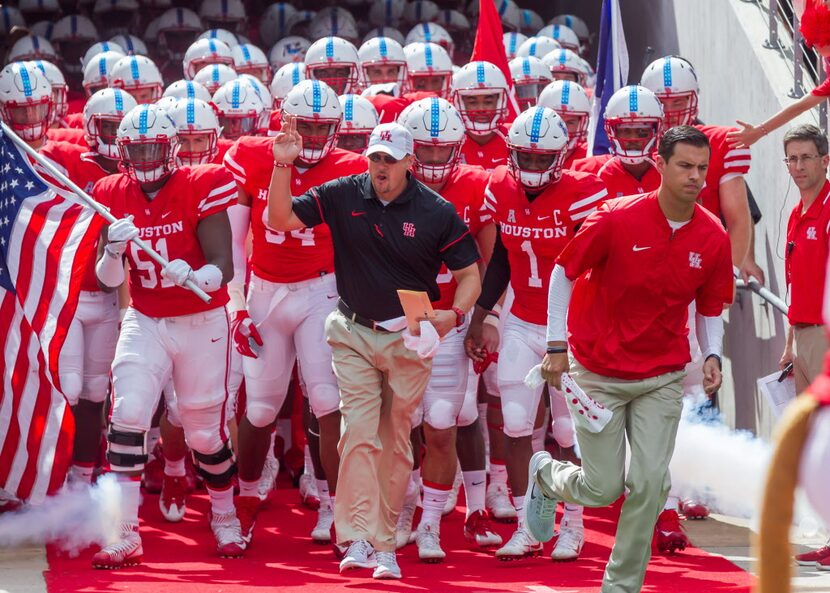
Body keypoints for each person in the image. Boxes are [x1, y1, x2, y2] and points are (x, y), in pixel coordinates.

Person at [266, 119, 481, 579]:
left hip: (410, 334)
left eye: (390, 159)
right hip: (354, 330)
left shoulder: (435, 210)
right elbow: (279, 219)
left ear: (408, 163)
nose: (380, 168)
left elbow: (470, 276)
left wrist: (455, 315)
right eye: (375, 158)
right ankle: (359, 538)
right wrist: (283, 164)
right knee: (358, 435)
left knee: (396, 441)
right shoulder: (344, 192)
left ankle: (386, 542)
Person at [524, 126, 734, 593]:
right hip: (598, 372)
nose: (696, 177)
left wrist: (713, 353)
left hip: (662, 375)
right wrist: (556, 346)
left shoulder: (713, 236)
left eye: (702, 168)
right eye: (685, 166)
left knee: (652, 483)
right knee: (603, 489)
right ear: (659, 165)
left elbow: (710, 307)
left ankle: (620, 587)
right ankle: (545, 473)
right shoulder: (615, 218)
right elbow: (563, 272)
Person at [91, 103, 245, 568]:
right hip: (147, 317)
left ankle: (224, 514)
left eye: (151, 147)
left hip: (201, 322)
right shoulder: (110, 192)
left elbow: (225, 265)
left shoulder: (202, 182)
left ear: (170, 147)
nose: (142, 157)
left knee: (202, 434)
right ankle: (124, 531)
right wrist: (114, 251)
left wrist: (196, 272)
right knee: (130, 412)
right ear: (122, 150)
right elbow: (106, 279)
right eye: (134, 149)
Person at [223, 79, 367, 546]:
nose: (313, 134)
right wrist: (238, 307)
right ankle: (243, 503)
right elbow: (231, 244)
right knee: (261, 408)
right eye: (305, 125)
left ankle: (336, 507)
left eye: (322, 126)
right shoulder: (252, 155)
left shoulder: (349, 166)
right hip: (265, 290)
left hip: (320, 292)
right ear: (284, 120)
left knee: (327, 400)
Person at [465, 106, 608, 562]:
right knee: (516, 424)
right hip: (523, 319)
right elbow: (504, 258)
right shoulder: (499, 187)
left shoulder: (583, 192)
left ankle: (574, 524)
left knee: (568, 429)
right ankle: (530, 526)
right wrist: (482, 313)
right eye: (522, 158)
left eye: (539, 159)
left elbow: (598, 265)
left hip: (570, 325)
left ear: (561, 157)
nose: (528, 168)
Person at [397, 97, 500, 561]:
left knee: (447, 422)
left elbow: (489, 262)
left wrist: (480, 318)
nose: (436, 161)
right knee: (397, 426)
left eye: (444, 151)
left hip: (450, 320)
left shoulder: (478, 186)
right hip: (397, 321)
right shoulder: (383, 182)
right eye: (427, 150)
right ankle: (401, 510)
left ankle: (434, 521)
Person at [780, 125, 830, 394]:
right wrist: (790, 344)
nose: (798, 166)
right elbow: (795, 287)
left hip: (825, 340)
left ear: (825, 161)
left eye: (806, 157)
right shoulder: (795, 214)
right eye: (792, 158)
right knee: (810, 435)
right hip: (801, 338)